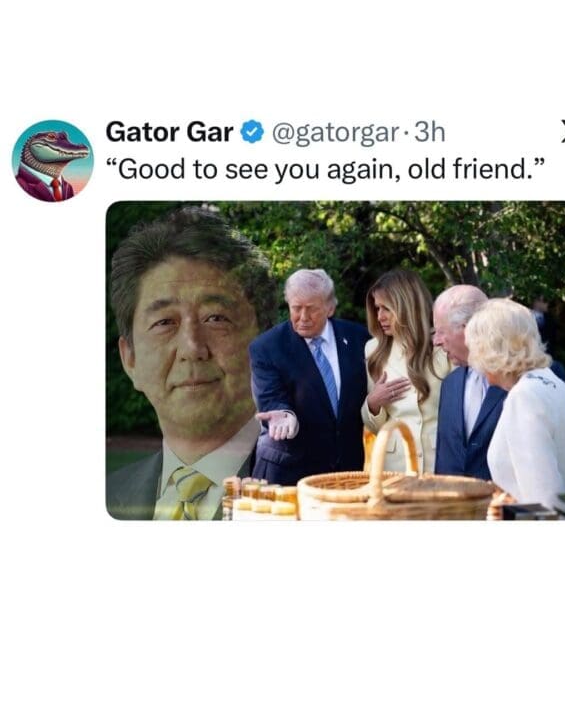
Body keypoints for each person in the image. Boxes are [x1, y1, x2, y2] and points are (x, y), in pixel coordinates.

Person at [106, 205, 277, 520]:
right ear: (130, 360)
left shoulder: (324, 496)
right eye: (164, 322)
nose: (192, 348)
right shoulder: (105, 495)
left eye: (216, 318)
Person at [249, 269, 370, 485]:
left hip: (347, 470)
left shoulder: (359, 338)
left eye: (311, 309)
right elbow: (270, 397)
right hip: (288, 472)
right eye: (296, 308)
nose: (303, 317)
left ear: (330, 308)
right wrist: (285, 415)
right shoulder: (267, 347)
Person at [465, 298, 565, 508]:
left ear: (488, 350)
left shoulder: (524, 398)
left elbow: (544, 502)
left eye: (473, 349)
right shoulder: (556, 386)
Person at [361, 270, 451, 473]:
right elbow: (376, 427)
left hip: (439, 462)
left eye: (387, 309)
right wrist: (373, 404)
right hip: (394, 467)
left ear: (408, 306)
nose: (380, 316)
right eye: (377, 308)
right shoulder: (373, 350)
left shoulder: (442, 346)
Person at [432, 284, 507, 480]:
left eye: (441, 331)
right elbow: (445, 458)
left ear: (468, 328)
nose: (436, 341)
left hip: (503, 506)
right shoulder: (450, 384)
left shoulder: (520, 379)